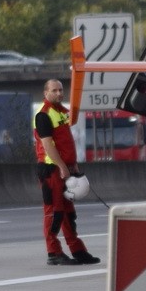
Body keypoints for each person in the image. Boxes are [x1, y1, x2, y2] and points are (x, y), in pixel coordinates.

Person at [34, 79, 101, 266]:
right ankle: (53, 252)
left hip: (65, 168)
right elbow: (48, 145)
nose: (58, 93)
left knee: (68, 213)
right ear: (45, 92)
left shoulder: (61, 113)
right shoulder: (44, 115)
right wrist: (62, 166)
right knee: (54, 212)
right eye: (54, 90)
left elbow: (67, 143)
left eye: (61, 90)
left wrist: (72, 165)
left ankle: (78, 251)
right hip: (51, 169)